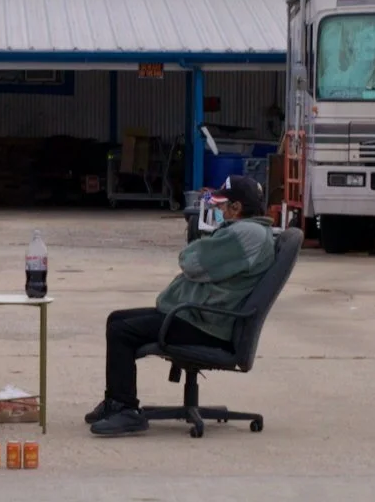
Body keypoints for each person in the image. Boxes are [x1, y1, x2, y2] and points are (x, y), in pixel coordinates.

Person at [85, 175, 276, 437]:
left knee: (122, 331)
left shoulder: (246, 233)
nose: (218, 210)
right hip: (202, 316)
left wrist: (201, 243)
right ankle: (114, 402)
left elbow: (191, 262)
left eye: (223, 205)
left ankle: (127, 410)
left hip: (206, 324)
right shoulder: (250, 232)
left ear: (237, 208)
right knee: (116, 319)